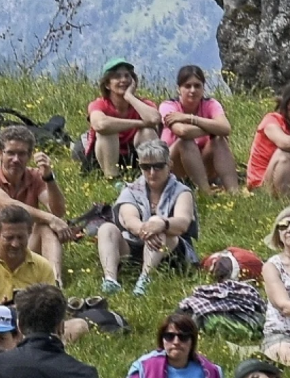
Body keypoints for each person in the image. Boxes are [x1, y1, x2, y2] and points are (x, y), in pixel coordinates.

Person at [0, 205, 85, 340]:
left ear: (30, 232)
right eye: (9, 238)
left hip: (32, 327)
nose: (15, 244)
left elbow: (53, 308)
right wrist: (1, 314)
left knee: (79, 325)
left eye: (21, 237)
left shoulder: (42, 266)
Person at [96, 139, 197, 296]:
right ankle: (110, 279)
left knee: (157, 222)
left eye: (158, 166)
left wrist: (160, 224)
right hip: (135, 244)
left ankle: (145, 278)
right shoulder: (130, 190)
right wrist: (148, 230)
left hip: (171, 250)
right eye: (146, 167)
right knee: (106, 229)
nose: (152, 172)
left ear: (169, 164)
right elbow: (129, 220)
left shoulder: (182, 192)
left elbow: (183, 223)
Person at [0, 125, 70, 283]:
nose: (16, 159)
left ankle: (54, 282)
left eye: (22, 154)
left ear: (30, 156)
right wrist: (51, 219)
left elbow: (57, 211)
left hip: (24, 244)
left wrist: (49, 178)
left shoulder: (34, 176)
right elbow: (8, 205)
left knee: (45, 227)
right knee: (48, 221)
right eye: (10, 153)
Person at [159, 65, 238, 195]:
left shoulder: (211, 104)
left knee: (219, 140)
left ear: (203, 88)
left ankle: (234, 192)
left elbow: (226, 128)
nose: (192, 90)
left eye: (197, 86)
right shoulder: (168, 106)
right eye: (187, 86)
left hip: (203, 164)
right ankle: (205, 193)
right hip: (173, 167)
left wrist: (189, 118)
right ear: (179, 89)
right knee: (186, 142)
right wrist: (213, 128)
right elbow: (182, 131)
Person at [79, 57, 160, 179]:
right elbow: (100, 124)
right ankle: (113, 180)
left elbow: (155, 119)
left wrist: (130, 97)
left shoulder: (142, 104)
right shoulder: (99, 104)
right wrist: (140, 123)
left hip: (134, 157)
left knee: (148, 132)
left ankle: (150, 176)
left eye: (127, 76)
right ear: (107, 84)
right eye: (117, 77)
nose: (123, 80)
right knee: (108, 132)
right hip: (103, 159)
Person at [246, 82, 290, 195]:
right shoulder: (272, 120)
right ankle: (281, 201)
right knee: (284, 153)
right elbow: (284, 143)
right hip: (260, 186)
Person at [262, 206, 290, 365]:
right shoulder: (272, 266)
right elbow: (284, 306)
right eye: (283, 225)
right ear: (278, 234)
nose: (288, 229)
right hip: (281, 335)